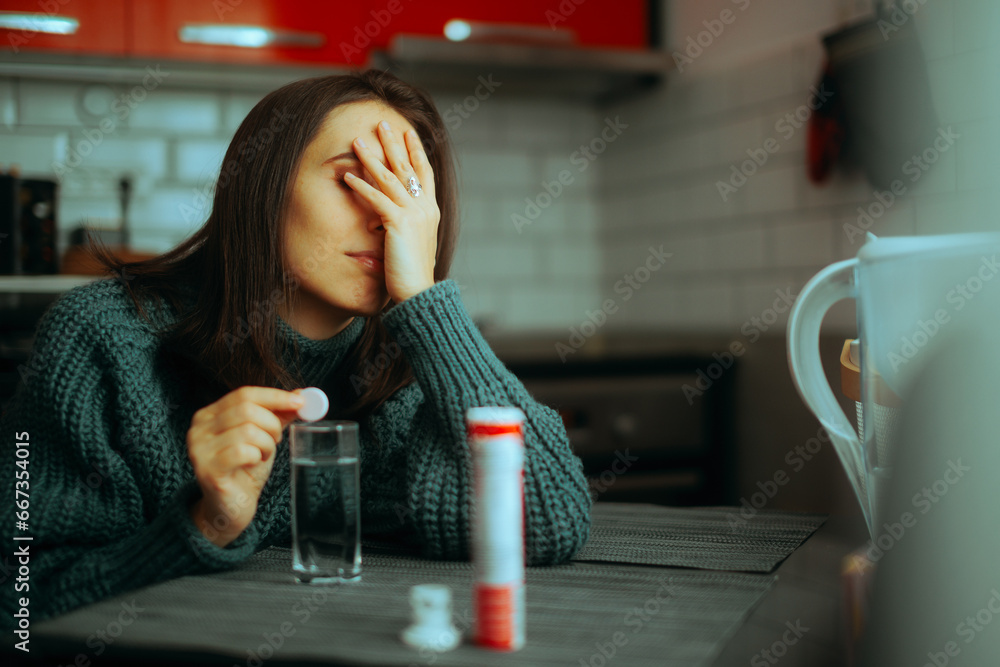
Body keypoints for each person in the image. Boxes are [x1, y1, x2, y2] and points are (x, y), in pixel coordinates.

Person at [0, 69, 592, 626]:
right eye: (351, 179)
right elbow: (17, 599)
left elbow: (547, 519)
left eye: (408, 193)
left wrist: (426, 300)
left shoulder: (415, 363)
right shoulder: (102, 338)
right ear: (265, 187)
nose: (386, 216)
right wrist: (204, 525)